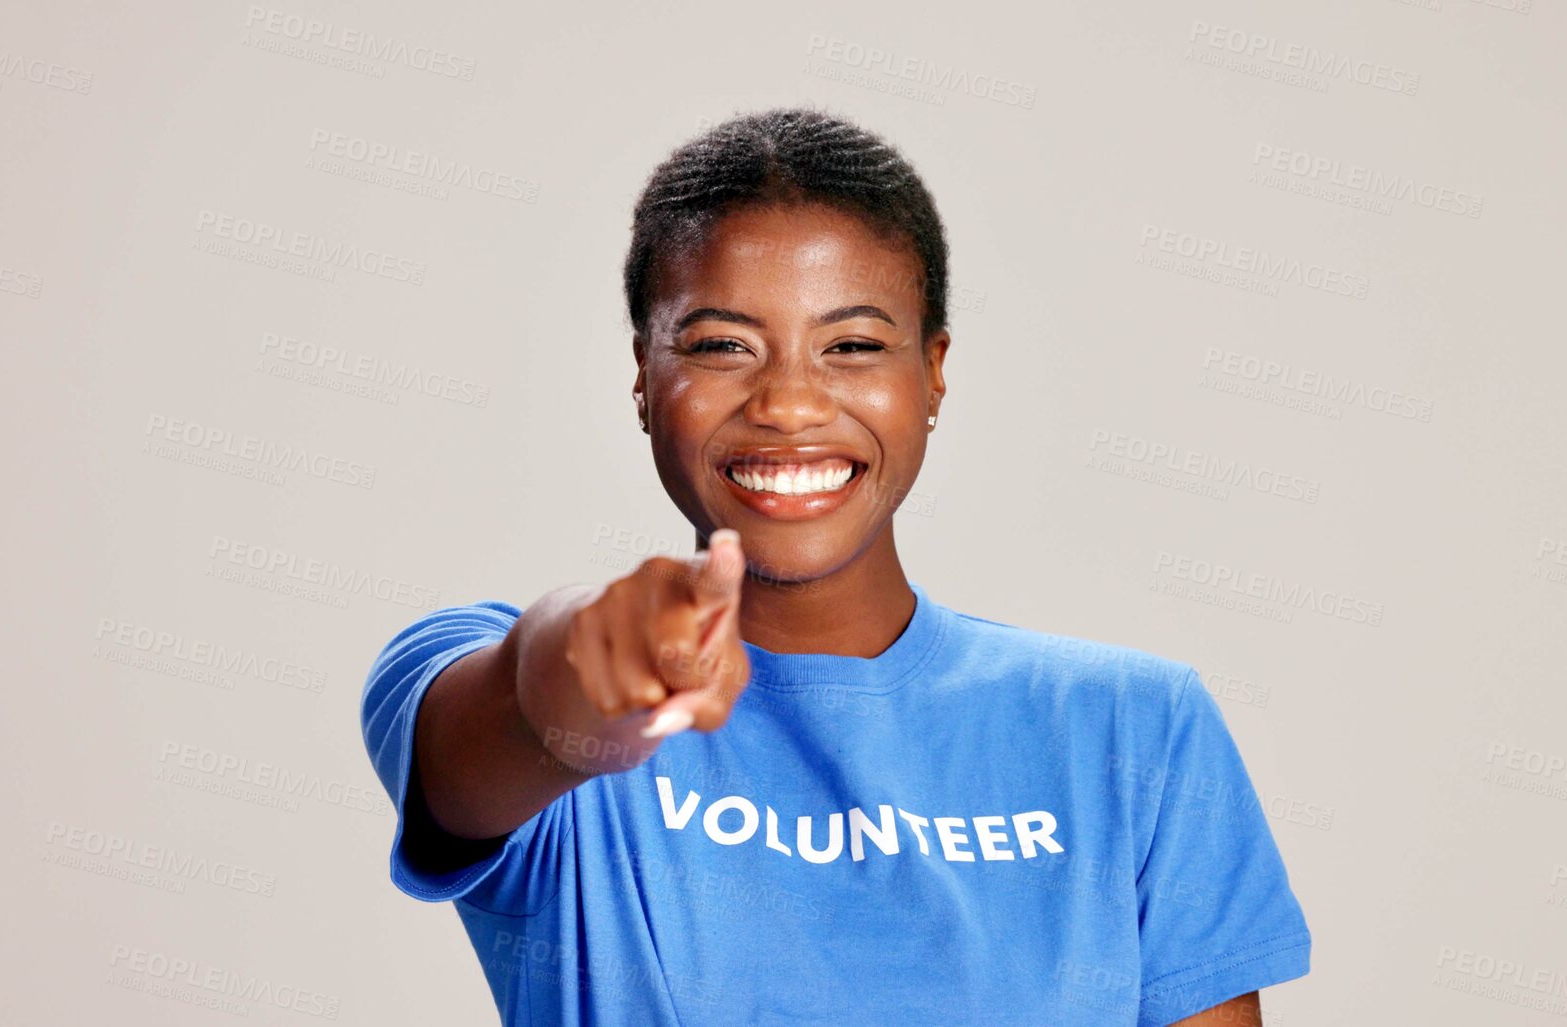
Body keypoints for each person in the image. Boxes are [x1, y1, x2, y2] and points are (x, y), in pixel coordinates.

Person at [359, 106, 1310, 1026]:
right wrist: (584, 664)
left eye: (851, 346)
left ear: (932, 372)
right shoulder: (477, 678)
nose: (787, 402)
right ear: (645, 378)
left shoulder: (1136, 730)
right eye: (722, 344)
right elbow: (532, 704)